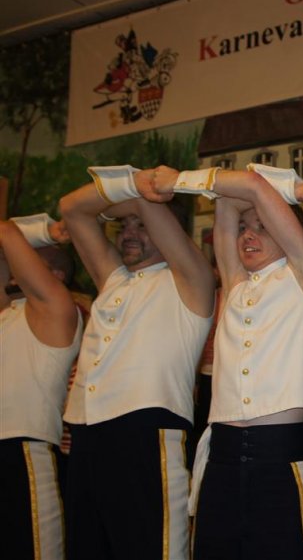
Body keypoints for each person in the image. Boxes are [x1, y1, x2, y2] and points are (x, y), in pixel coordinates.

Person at [146, 164, 303, 559]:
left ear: (290, 231)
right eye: (245, 228)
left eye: (263, 226)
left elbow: (250, 185)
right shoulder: (234, 284)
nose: (248, 235)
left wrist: (177, 181)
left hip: (279, 458)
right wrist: (295, 188)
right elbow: (229, 199)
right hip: (221, 458)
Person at [59, 165, 215, 560]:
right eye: (123, 225)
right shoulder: (113, 279)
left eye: (140, 225)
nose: (129, 233)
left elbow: (147, 206)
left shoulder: (190, 279)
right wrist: (131, 186)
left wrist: (138, 194)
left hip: (144, 433)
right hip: (86, 434)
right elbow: (71, 208)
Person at [0, 215, 82, 560]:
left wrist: (46, 232)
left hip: (23, 452)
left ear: (57, 275)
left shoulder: (57, 311)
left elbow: (4, 230)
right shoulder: (8, 313)